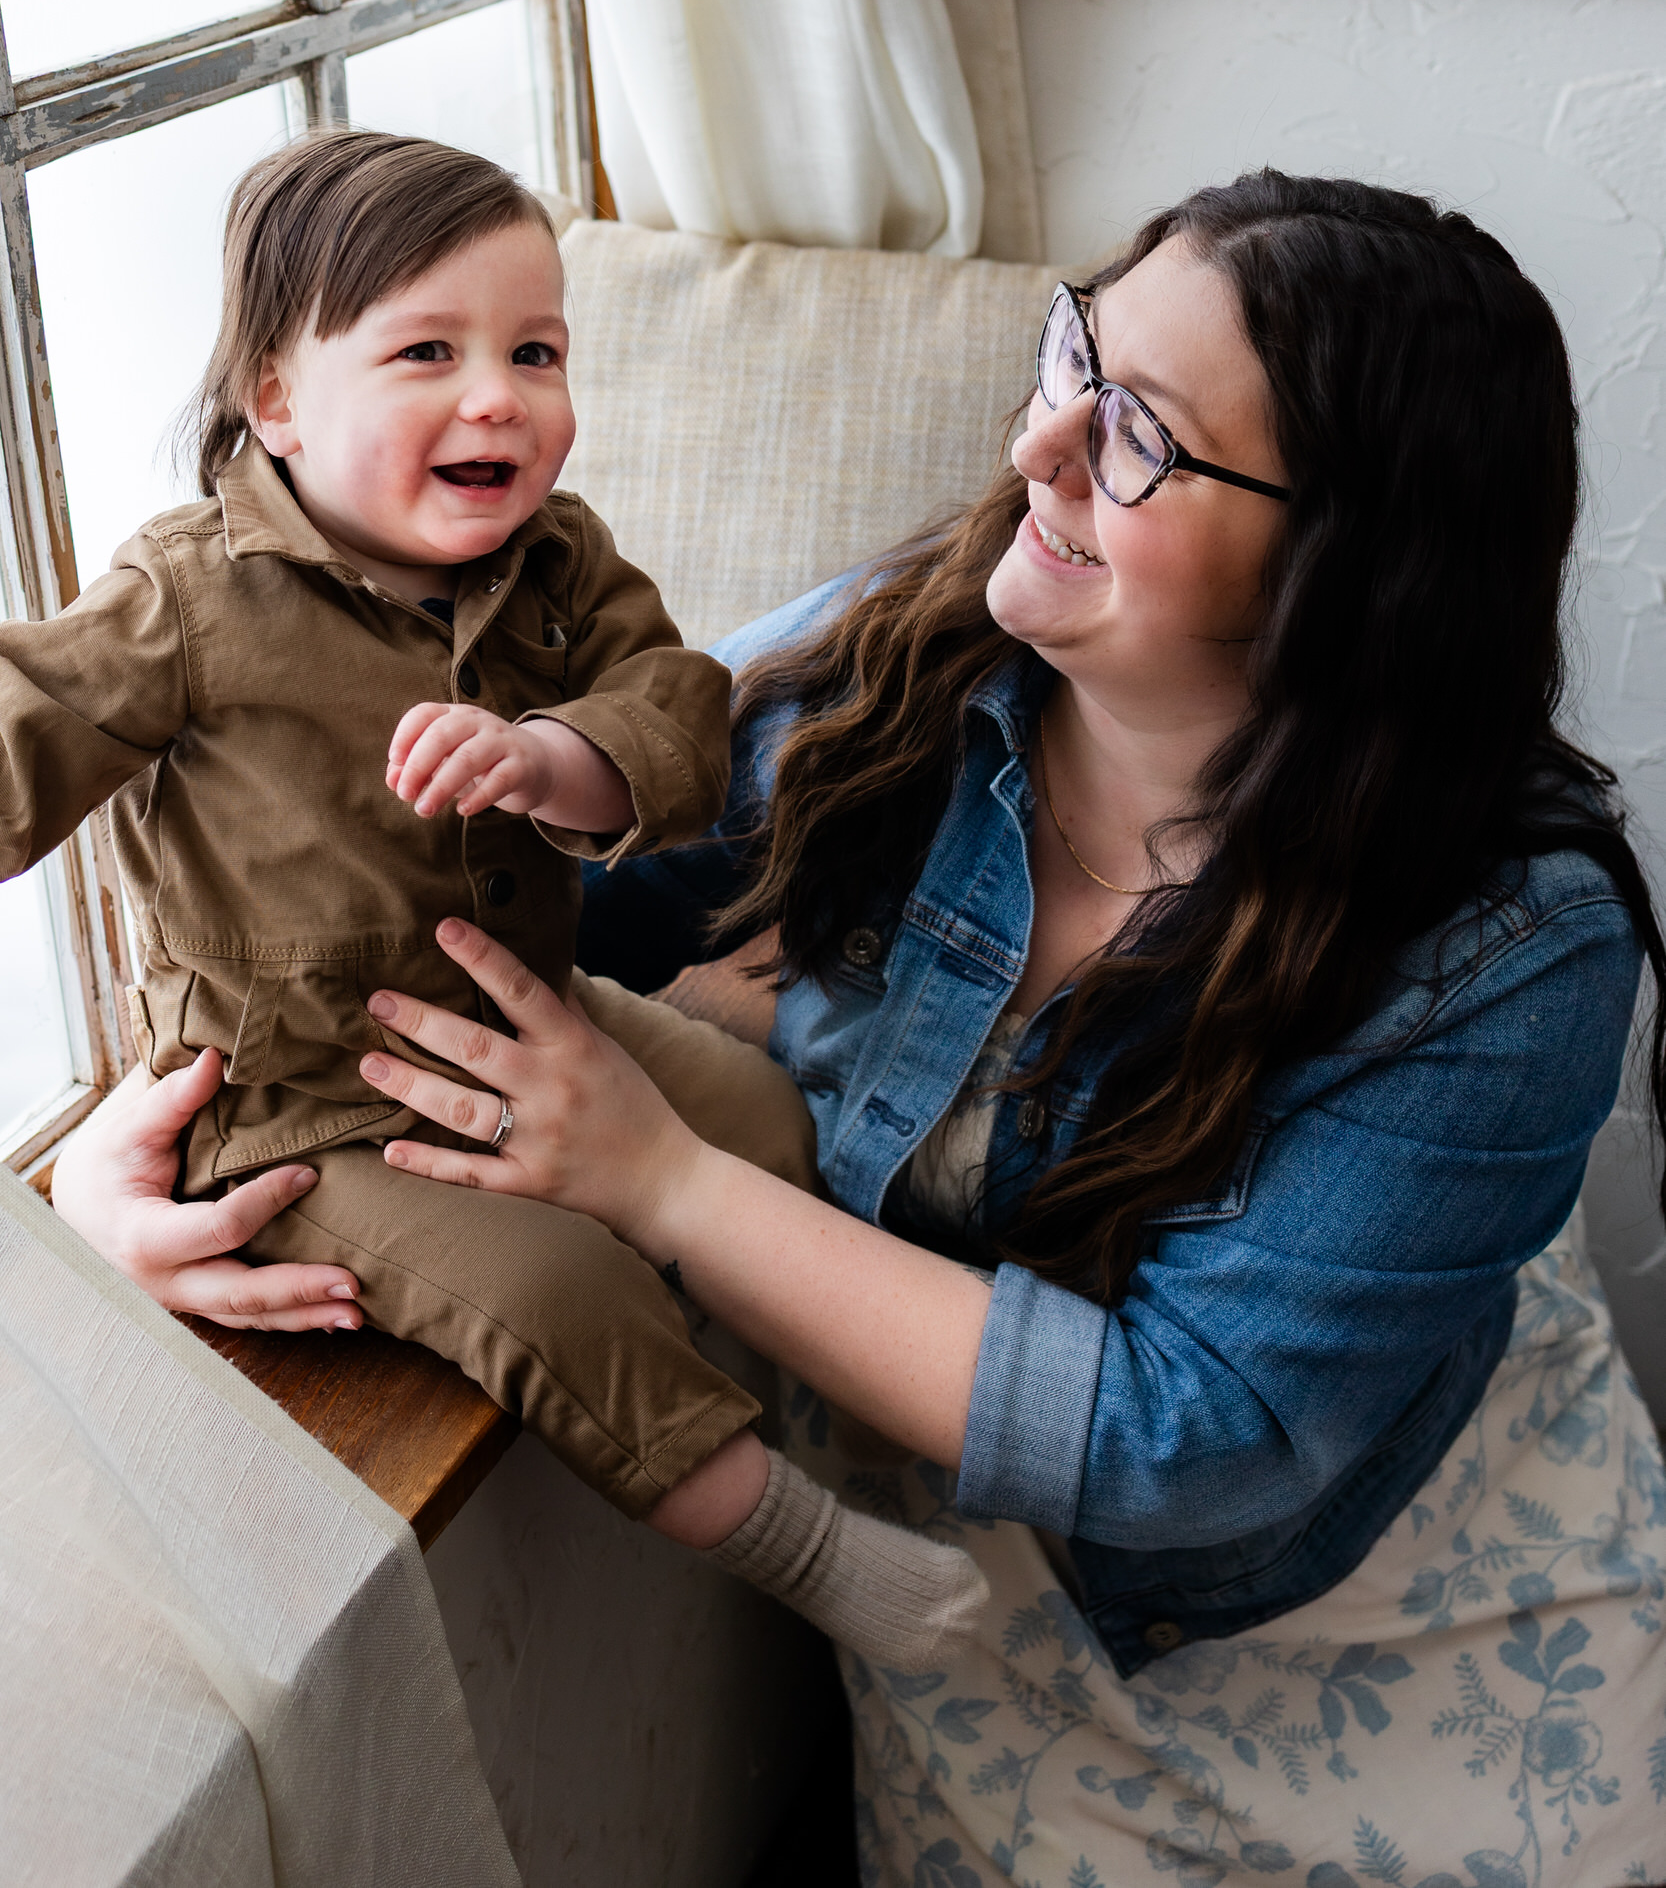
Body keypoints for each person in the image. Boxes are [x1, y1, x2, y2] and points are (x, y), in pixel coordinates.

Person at [60, 172, 1666, 1882]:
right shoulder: (892, 668)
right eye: (1074, 359)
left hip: (1402, 1618)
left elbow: (1191, 1441)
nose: (1040, 448)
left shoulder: (1509, 945)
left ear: (1348, 566)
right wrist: (158, 1146)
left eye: (1142, 438)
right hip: (979, 1636)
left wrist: (664, 1182)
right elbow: (457, 940)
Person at [15, 127, 984, 1673]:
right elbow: (27, 724)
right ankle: (807, 1550)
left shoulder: (555, 562)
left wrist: (556, 754)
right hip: (315, 1105)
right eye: (427, 351)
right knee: (562, 1294)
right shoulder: (184, 602)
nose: (500, 396)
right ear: (275, 400)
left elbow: (676, 707)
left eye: (535, 350)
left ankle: (895, 1405)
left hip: (530, 1007)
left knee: (765, 1122)